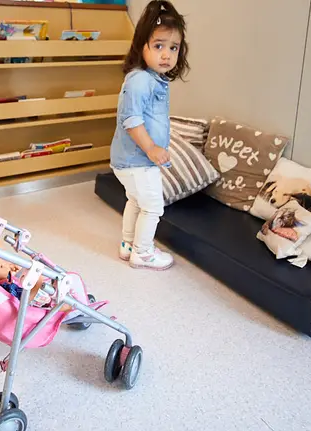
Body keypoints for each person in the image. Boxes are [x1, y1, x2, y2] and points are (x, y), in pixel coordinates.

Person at [110, 0, 189, 270]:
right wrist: (152, 148)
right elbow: (131, 120)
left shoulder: (151, 78)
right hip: (138, 160)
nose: (166, 54)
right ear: (141, 45)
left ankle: (128, 243)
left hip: (129, 161)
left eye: (173, 48)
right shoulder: (140, 80)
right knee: (153, 207)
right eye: (158, 46)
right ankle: (142, 253)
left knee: (136, 200)